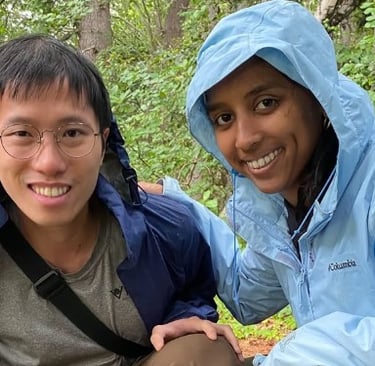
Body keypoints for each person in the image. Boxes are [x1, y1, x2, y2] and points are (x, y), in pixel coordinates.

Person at [140, 0, 375, 364]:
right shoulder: (293, 208)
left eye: (266, 102)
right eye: (223, 117)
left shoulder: (367, 183)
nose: (244, 138)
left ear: (317, 95)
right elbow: (247, 294)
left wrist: (286, 357)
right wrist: (176, 203)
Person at [0, 34, 245, 366]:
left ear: (103, 142)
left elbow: (192, 291)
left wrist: (185, 319)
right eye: (21, 134)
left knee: (207, 351)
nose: (49, 163)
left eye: (72, 133)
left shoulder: (166, 231)